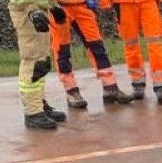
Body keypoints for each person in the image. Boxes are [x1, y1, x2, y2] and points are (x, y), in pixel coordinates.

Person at [49, 0, 134, 108]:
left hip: (83, 7)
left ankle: (110, 87)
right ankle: (71, 91)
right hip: (59, 8)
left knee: (97, 46)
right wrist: (51, 5)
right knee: (62, 50)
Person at [8, 0, 68, 130]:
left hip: (38, 8)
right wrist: (31, 10)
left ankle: (38, 105)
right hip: (25, 9)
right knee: (32, 61)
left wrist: (52, 6)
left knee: (42, 60)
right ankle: (33, 112)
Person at [103, 0, 162, 103]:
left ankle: (160, 84)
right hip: (124, 4)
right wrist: (105, 3)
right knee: (131, 44)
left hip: (149, 3)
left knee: (155, 43)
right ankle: (137, 82)